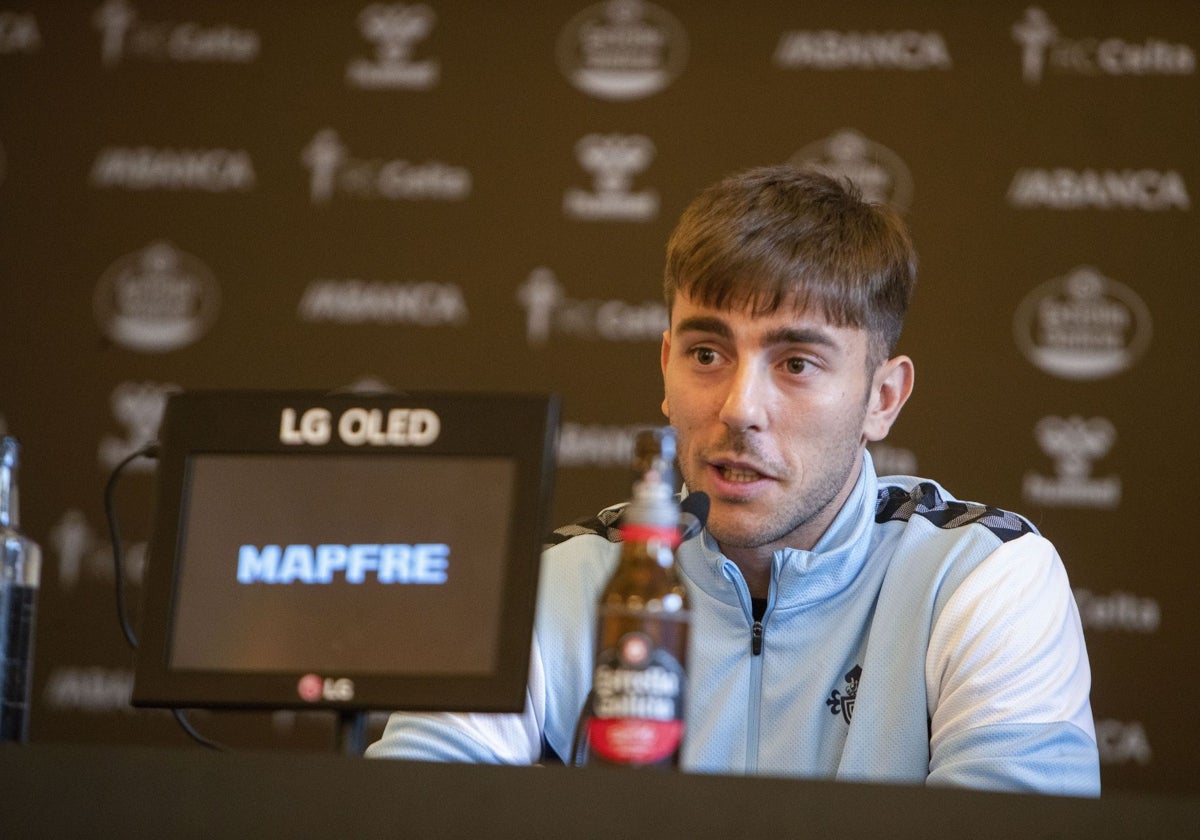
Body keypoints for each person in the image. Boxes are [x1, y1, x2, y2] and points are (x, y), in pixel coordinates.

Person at [366, 166, 1101, 796]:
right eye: (708, 353)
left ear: (883, 398)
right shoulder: (553, 583)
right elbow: (401, 813)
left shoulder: (980, 575)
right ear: (665, 367)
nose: (740, 408)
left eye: (797, 363)